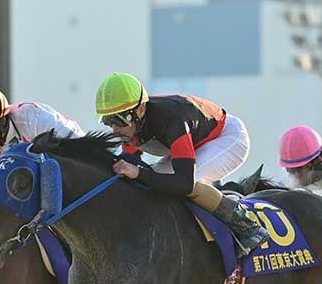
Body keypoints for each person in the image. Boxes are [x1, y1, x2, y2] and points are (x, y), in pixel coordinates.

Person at [94, 72, 268, 257]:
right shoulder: (132, 124)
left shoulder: (172, 119)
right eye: (108, 121)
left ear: (140, 111)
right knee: (151, 183)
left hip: (227, 138)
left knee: (189, 185)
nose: (114, 129)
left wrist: (138, 173)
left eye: (119, 120)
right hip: (193, 143)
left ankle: (246, 226)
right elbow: (127, 164)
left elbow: (184, 183)